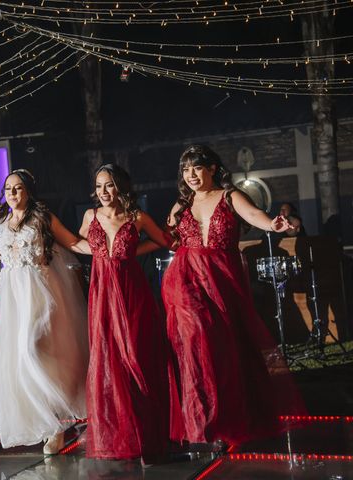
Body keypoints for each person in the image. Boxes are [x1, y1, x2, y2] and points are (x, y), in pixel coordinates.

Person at [162, 145, 304, 447]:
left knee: (224, 348)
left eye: (197, 168)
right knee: (195, 342)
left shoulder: (230, 196)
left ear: (212, 168)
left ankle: (228, 419)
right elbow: (169, 238)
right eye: (186, 170)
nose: (191, 175)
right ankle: (202, 422)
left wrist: (273, 224)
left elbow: (255, 215)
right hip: (185, 280)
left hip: (221, 280)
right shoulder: (181, 205)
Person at [0, 169, 90, 454]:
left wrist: (102, 248)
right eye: (8, 189)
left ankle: (58, 422)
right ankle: (49, 424)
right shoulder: (0, 224)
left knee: (33, 348)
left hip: (41, 294)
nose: (13, 194)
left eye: (18, 188)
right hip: (13, 300)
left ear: (28, 191)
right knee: (17, 363)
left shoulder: (42, 219)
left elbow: (73, 242)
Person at [77, 164, 170, 461]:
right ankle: (119, 434)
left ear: (121, 187)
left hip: (131, 292)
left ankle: (146, 433)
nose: (104, 192)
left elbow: (163, 241)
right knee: (108, 359)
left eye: (109, 185)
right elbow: (82, 242)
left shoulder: (137, 217)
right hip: (101, 293)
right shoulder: (90, 216)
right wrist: (101, 254)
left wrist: (129, 253)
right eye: (100, 186)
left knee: (136, 357)